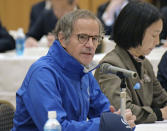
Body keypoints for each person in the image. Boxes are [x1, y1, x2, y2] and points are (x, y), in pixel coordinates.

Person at [12, 9, 136, 131]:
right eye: (83, 37)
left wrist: (119, 120)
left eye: (95, 38)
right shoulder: (43, 73)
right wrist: (108, 124)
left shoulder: (83, 71)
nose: (90, 45)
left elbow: (104, 113)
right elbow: (58, 127)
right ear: (62, 38)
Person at [94, 1, 167, 124]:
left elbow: (162, 98)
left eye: (159, 35)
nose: (157, 41)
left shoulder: (145, 63)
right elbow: (123, 110)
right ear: (135, 31)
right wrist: (159, 113)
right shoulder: (110, 66)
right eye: (154, 35)